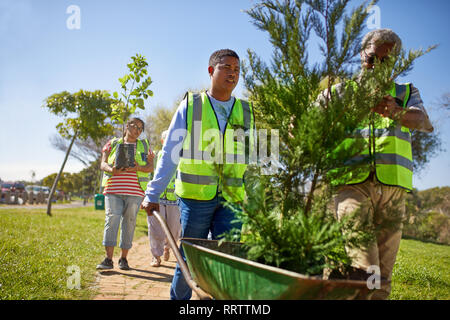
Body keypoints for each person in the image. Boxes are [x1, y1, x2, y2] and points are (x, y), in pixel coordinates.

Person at [327, 29, 433, 299]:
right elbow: (308, 123)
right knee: (366, 267)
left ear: (395, 61)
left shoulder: (406, 92)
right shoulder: (341, 92)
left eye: (385, 61)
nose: (376, 65)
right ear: (362, 54)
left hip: (393, 190)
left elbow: (424, 123)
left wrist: (396, 112)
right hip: (352, 186)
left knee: (383, 274)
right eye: (371, 58)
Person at [142, 49, 255, 300]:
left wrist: (255, 199)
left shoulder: (246, 111)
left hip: (232, 199)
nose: (233, 74)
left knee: (226, 261)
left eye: (237, 70)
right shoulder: (192, 105)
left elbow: (252, 160)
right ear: (211, 70)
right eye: (226, 68)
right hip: (195, 199)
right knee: (189, 259)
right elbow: (170, 152)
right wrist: (153, 194)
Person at [96, 117, 155, 270]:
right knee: (112, 220)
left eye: (141, 129)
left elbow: (150, 167)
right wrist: (111, 170)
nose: (137, 130)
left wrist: (138, 168)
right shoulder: (113, 143)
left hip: (135, 192)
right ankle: (108, 260)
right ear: (128, 125)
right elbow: (102, 163)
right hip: (113, 189)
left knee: (129, 223)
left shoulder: (144, 145)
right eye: (135, 126)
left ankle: (123, 259)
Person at [147, 130, 181, 267]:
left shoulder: (181, 156)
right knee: (155, 228)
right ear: (162, 141)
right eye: (166, 139)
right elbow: (151, 174)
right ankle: (156, 256)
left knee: (174, 229)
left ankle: (168, 247)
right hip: (158, 198)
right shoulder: (157, 156)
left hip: (175, 198)